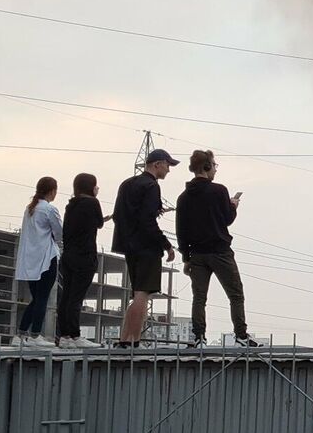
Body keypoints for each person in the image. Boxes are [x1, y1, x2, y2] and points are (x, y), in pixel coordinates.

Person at [176, 149, 258, 347]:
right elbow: (227, 219)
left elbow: (181, 231)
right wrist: (233, 205)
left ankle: (199, 338)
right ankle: (240, 336)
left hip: (196, 254)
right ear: (207, 167)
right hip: (220, 251)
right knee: (235, 294)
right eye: (214, 165)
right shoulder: (219, 191)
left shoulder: (183, 197)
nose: (215, 170)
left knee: (199, 298)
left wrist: (186, 258)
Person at [112, 148, 178, 347]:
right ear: (157, 164)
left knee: (136, 294)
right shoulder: (151, 186)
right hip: (146, 247)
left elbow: (118, 215)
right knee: (143, 294)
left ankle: (124, 339)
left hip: (129, 246)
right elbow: (148, 220)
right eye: (167, 165)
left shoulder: (127, 184)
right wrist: (166, 245)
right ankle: (133, 340)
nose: (168, 170)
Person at [56, 172, 107, 347]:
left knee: (67, 296)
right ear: (92, 187)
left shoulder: (71, 205)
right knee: (76, 298)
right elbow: (99, 223)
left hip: (68, 256)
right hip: (85, 256)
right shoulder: (93, 202)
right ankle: (75, 336)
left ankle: (64, 336)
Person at [14, 176, 62, 347]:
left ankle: (20, 334)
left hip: (29, 260)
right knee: (42, 297)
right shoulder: (49, 209)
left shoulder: (30, 209)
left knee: (36, 298)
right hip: (46, 258)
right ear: (52, 191)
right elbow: (59, 233)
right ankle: (35, 335)